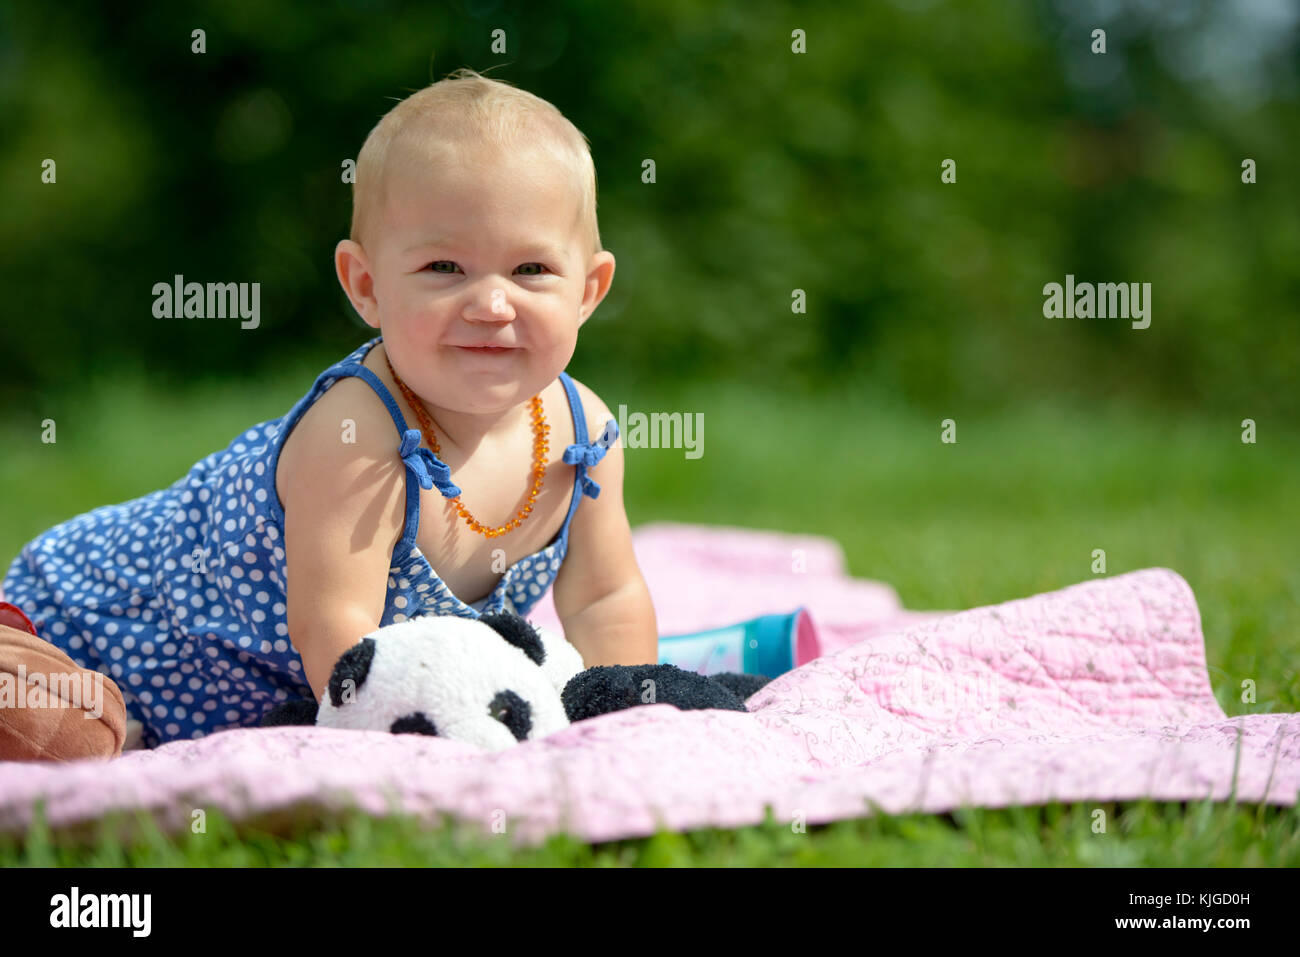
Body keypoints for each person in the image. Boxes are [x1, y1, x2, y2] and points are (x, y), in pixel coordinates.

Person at [2, 68, 659, 750]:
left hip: (257, 694)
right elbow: (337, 633)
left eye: (531, 271)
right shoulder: (359, 433)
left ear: (588, 290)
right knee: (56, 733)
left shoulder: (585, 435)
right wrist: (441, 744)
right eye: (443, 268)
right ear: (366, 286)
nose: (491, 304)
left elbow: (603, 599)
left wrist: (621, 721)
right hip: (89, 625)